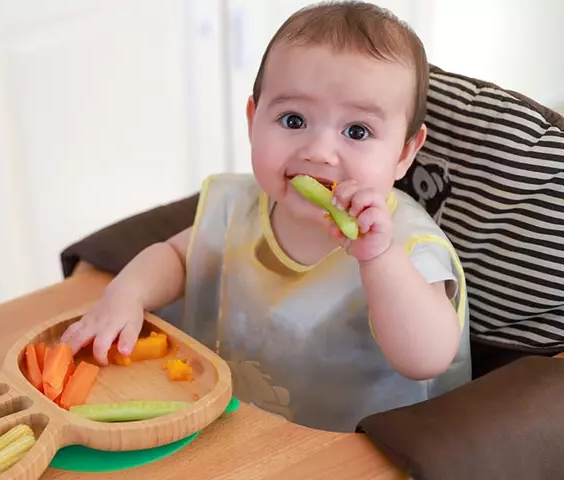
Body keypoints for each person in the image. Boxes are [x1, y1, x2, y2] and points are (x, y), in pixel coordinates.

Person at [61, 0, 471, 432]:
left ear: (405, 153)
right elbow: (177, 257)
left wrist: (377, 258)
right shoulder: (238, 207)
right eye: (293, 119)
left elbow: (426, 358)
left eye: (357, 131)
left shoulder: (407, 246)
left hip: (348, 453)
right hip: (234, 428)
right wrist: (126, 295)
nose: (318, 152)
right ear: (254, 120)